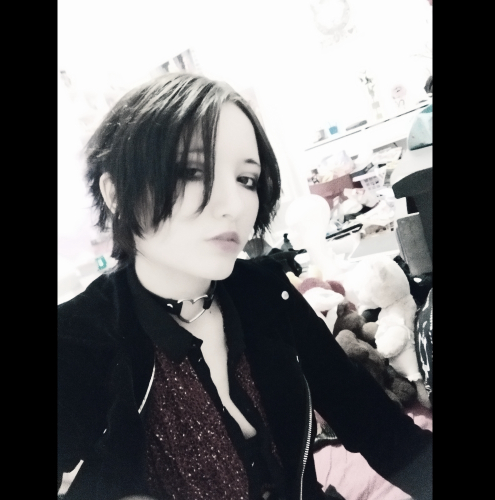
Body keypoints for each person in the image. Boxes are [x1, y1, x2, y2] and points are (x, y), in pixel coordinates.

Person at [58, 73, 432, 500]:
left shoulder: (266, 293)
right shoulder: (78, 340)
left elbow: (375, 425)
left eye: (246, 180)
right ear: (116, 193)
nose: (234, 205)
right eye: (192, 171)